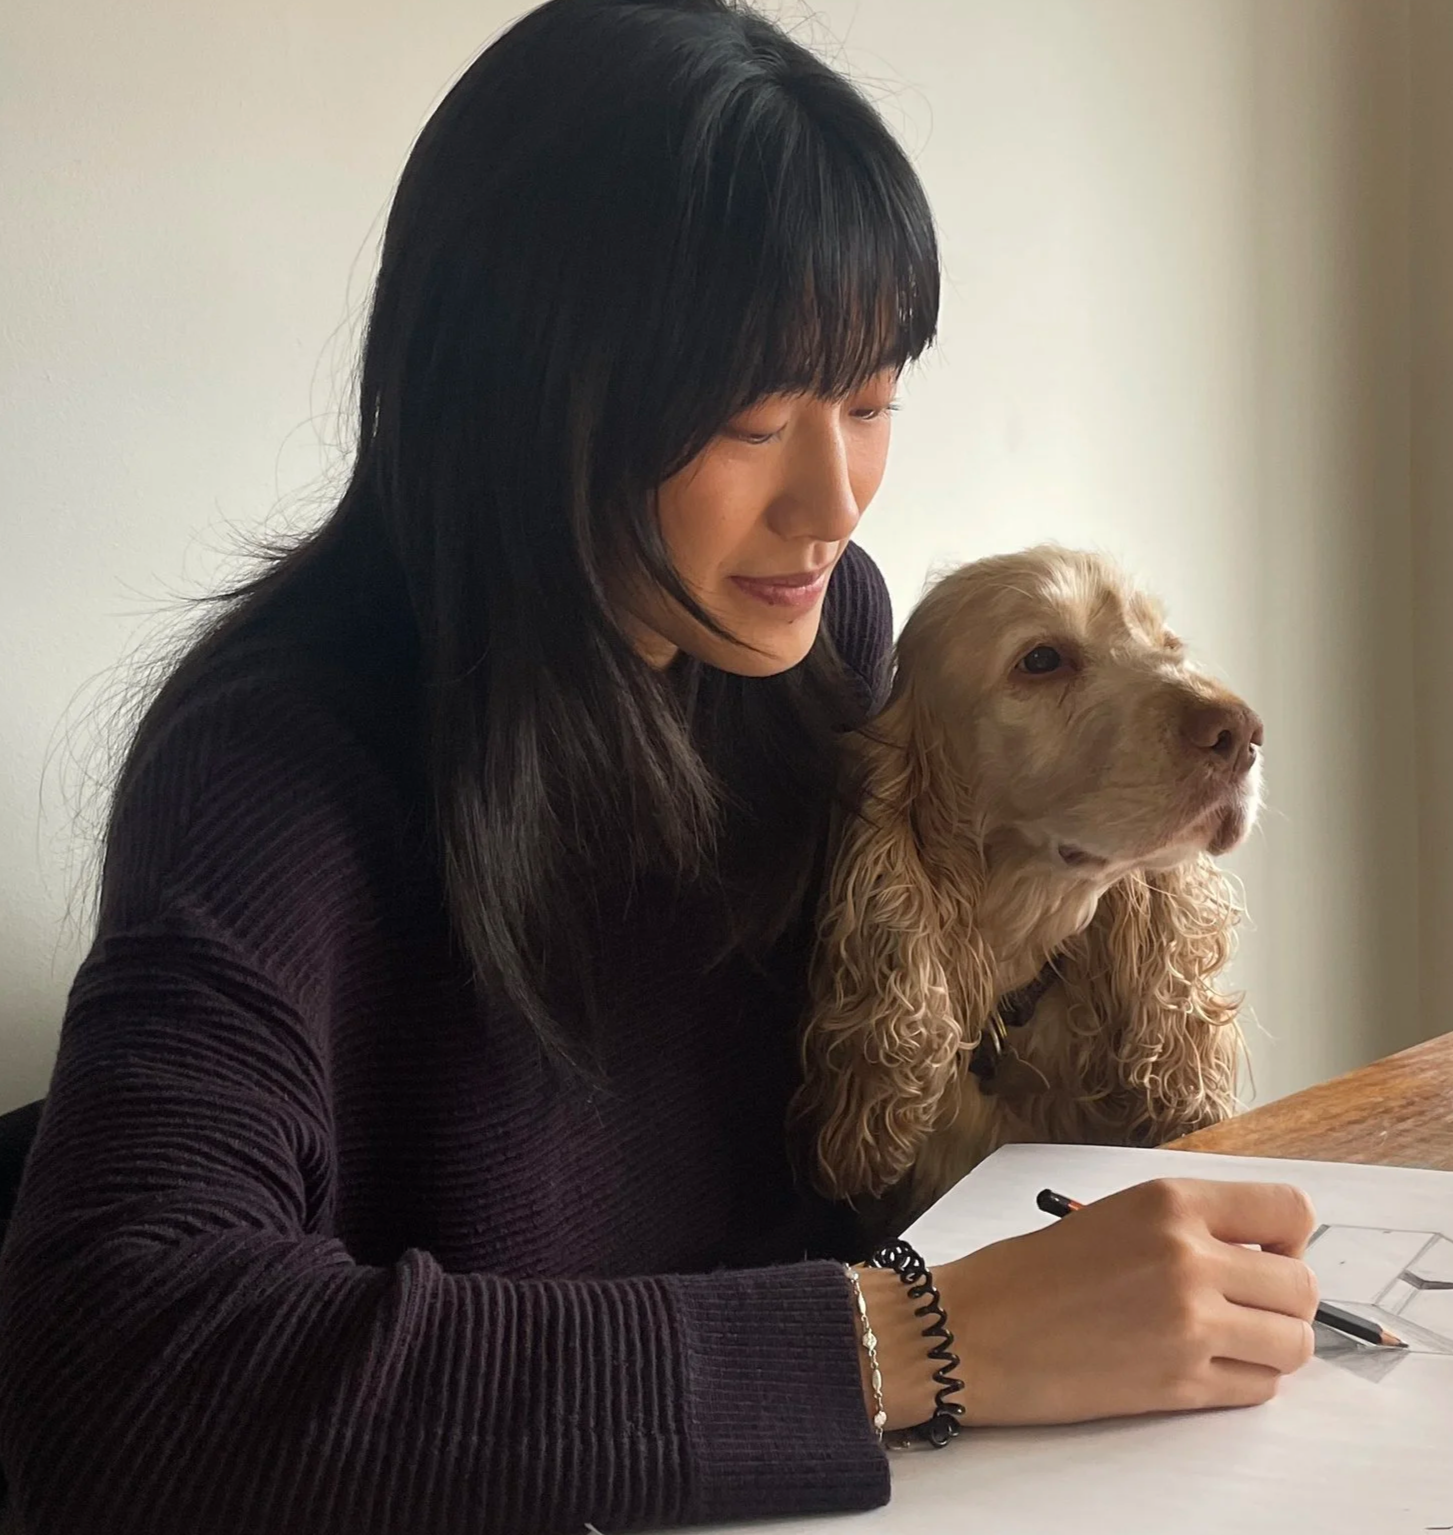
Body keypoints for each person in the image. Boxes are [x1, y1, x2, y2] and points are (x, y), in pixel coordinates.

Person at [0, 1, 1321, 1530]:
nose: (830, 503)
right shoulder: (268, 772)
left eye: (872, 396)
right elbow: (113, 1374)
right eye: (752, 412)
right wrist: (908, 1339)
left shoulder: (817, 650)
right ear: (526, 391)